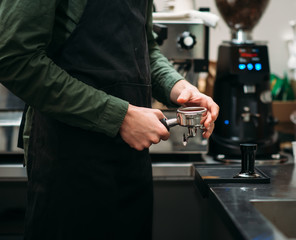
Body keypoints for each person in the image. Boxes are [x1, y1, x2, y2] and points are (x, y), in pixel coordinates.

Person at [0, 0, 219, 239]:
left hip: (130, 168)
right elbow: (14, 58)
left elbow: (146, 48)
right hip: (68, 168)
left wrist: (179, 87)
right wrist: (121, 117)